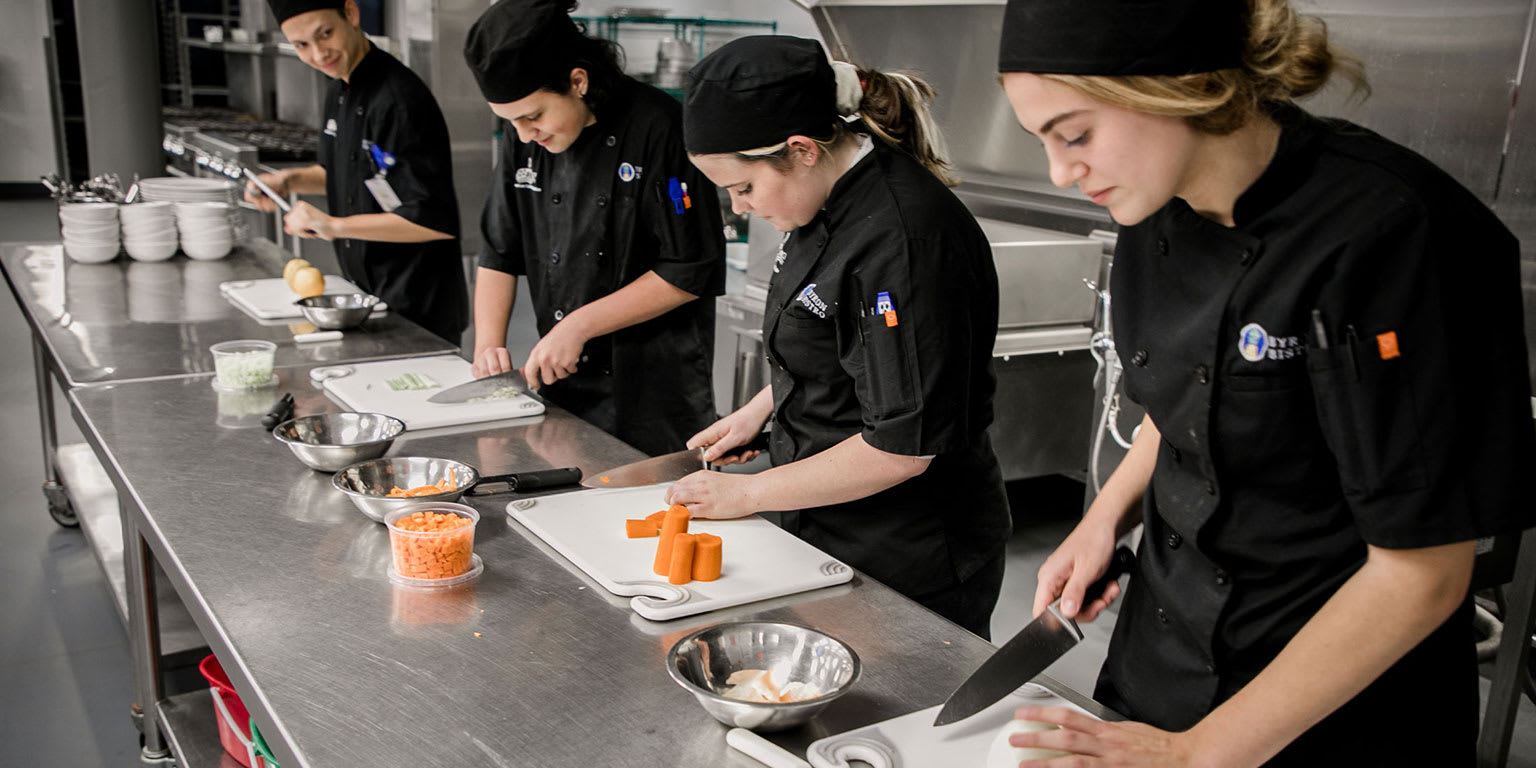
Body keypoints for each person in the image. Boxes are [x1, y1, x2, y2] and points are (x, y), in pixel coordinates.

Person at [995, 0, 1536, 764]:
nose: (1061, 170)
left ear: (1184, 84)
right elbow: (1190, 399)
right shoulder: (1152, 204)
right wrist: (1102, 519)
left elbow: (1423, 574)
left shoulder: (1397, 234)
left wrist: (1199, 754)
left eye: (1076, 133)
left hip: (1332, 712)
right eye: (1043, 140)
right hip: (1160, 671)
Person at [665, 35, 1012, 638]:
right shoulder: (822, 197)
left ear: (800, 149)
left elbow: (902, 448)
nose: (739, 206)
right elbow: (833, 333)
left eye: (743, 188)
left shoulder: (902, 242)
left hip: (907, 552)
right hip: (827, 523)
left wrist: (749, 495)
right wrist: (759, 410)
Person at [462, 0, 724, 457]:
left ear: (577, 81)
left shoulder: (659, 128)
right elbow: (499, 250)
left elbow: (690, 269)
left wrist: (580, 325)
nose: (525, 134)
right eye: (511, 122)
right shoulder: (523, 140)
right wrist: (488, 346)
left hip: (654, 389)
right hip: (564, 379)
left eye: (533, 116)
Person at [245, 0, 468, 344]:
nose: (319, 54)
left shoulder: (398, 100)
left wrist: (333, 226)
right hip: (366, 296)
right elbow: (348, 174)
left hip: (415, 305)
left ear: (351, 13)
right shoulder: (339, 87)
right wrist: (289, 181)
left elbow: (431, 221)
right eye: (302, 45)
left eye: (325, 34)